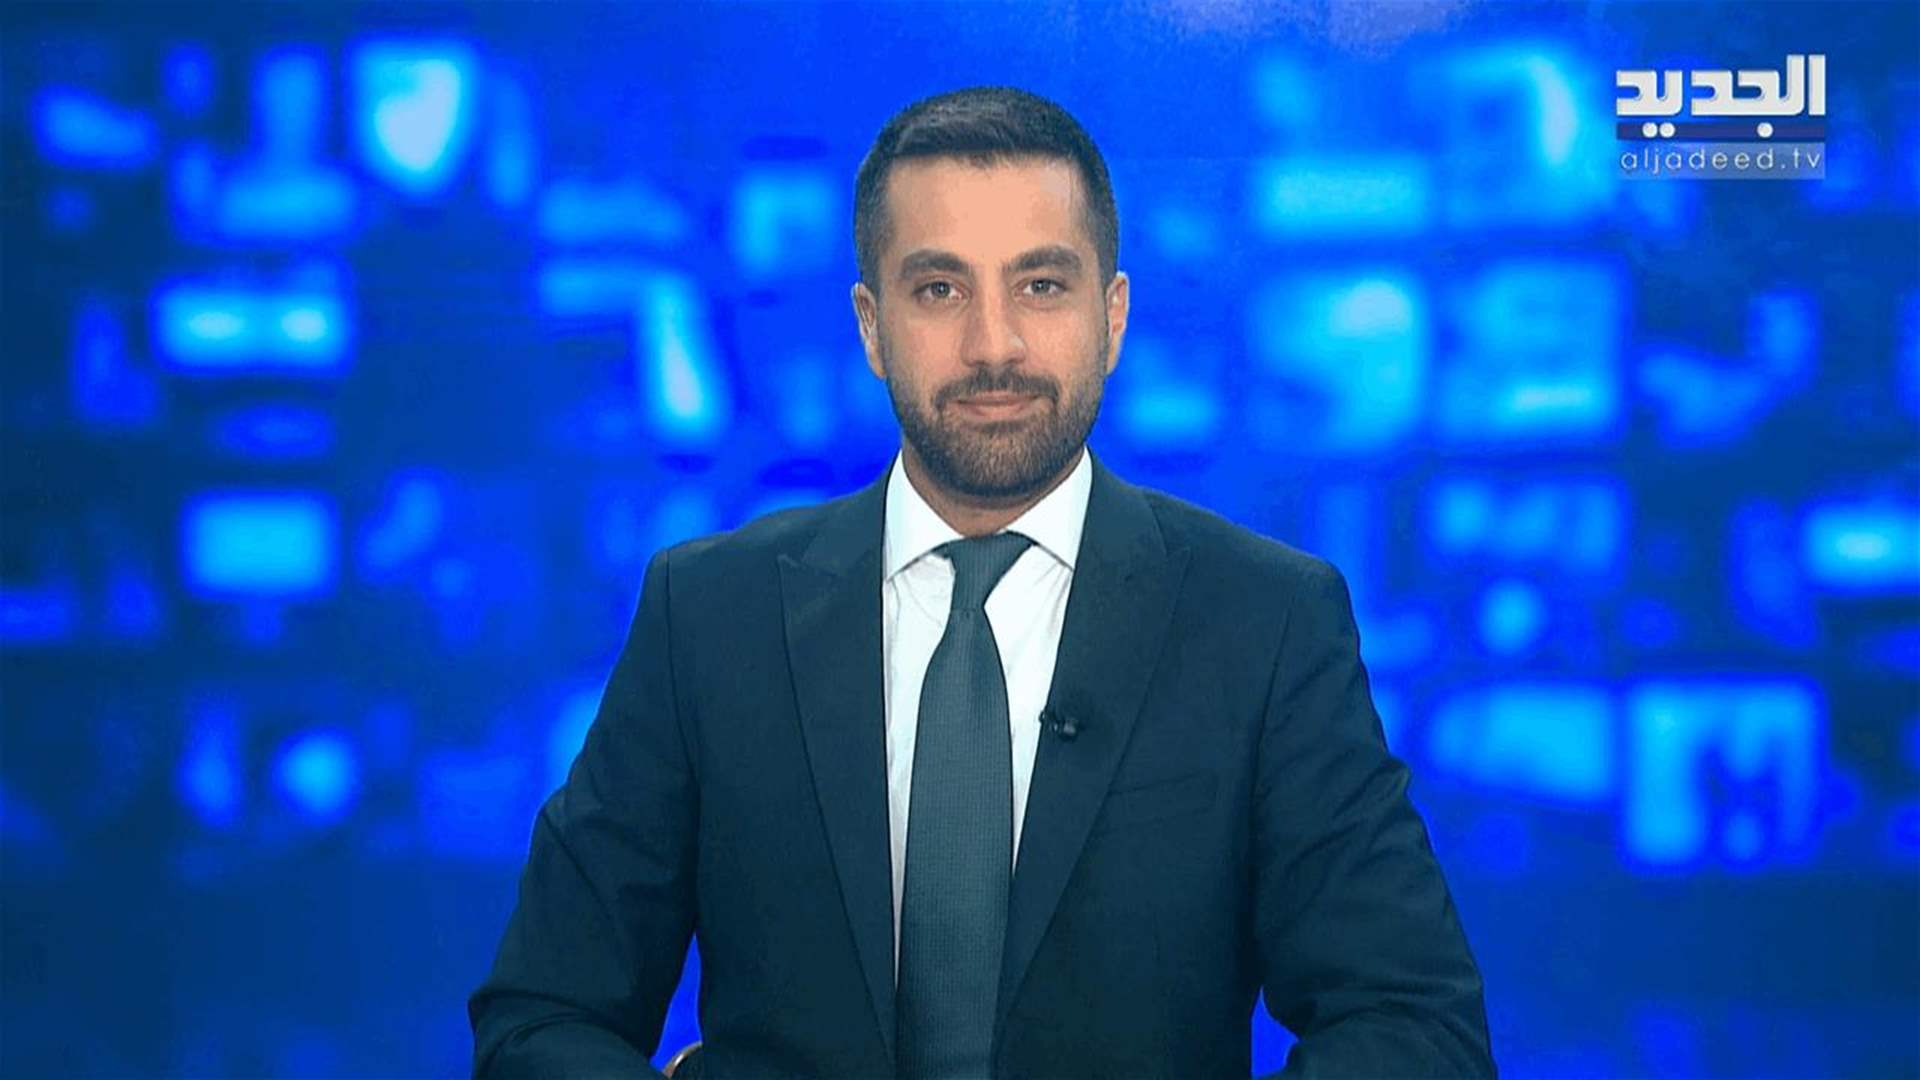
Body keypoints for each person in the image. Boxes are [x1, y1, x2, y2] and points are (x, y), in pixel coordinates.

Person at [469, 85, 1495, 1079]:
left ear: (1113, 317)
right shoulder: (709, 616)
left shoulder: (1265, 621)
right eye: (940, 290)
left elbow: (1416, 1032)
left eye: (1041, 286)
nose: (993, 346)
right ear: (871, 326)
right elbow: (540, 1020)